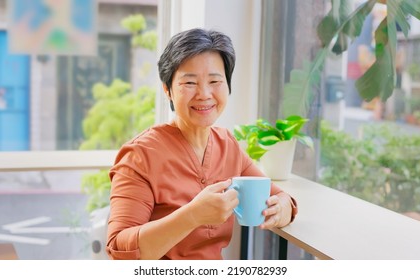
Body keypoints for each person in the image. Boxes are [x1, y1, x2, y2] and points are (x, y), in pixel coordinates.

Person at [106, 28, 298, 260]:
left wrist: (284, 208)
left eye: (215, 81)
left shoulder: (228, 145)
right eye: (189, 83)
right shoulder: (140, 155)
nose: (204, 94)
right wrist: (192, 215)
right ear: (167, 90)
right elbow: (119, 250)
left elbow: (278, 197)